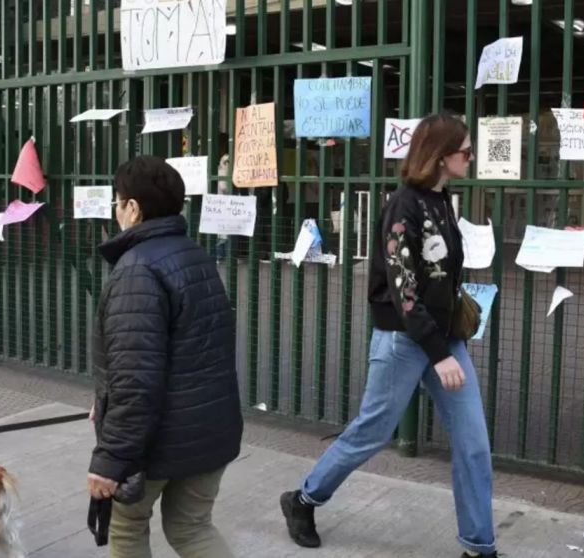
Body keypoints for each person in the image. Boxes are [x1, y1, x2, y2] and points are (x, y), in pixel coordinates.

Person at [279, 112, 498, 558]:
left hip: (443, 340)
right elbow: (404, 290)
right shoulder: (404, 206)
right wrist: (439, 353)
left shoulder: (442, 201)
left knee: (474, 445)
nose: (471, 158)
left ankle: (479, 546)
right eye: (466, 152)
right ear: (440, 156)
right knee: (372, 431)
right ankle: (303, 499)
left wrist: (448, 338)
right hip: (406, 340)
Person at [87, 155, 244, 558]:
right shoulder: (193, 254)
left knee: (127, 527)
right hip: (211, 428)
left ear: (133, 208)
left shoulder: (135, 269)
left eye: (117, 203)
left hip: (159, 439)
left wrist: (111, 458)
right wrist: (103, 399)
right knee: (192, 528)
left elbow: (136, 380)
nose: (117, 211)